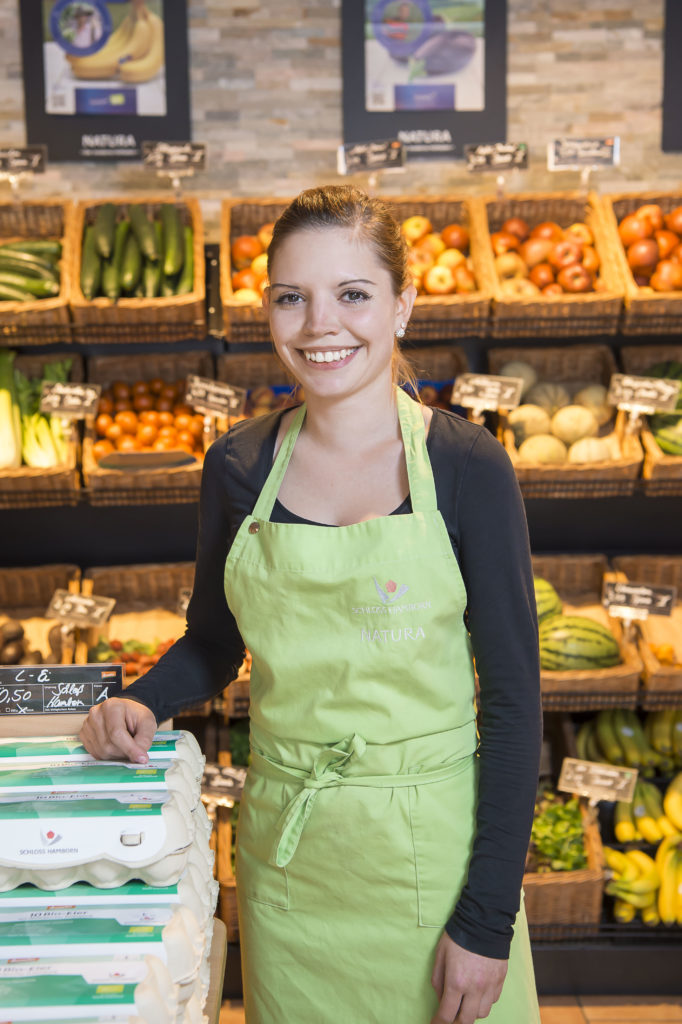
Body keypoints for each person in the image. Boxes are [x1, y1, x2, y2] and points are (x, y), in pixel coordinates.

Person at [80, 184, 542, 1024]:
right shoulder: (237, 467)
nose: (321, 325)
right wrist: (143, 700)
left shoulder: (468, 468)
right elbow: (215, 643)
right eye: (293, 298)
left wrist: (486, 921)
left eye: (353, 295)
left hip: (434, 865)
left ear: (403, 305)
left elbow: (513, 711)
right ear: (269, 311)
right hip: (290, 865)